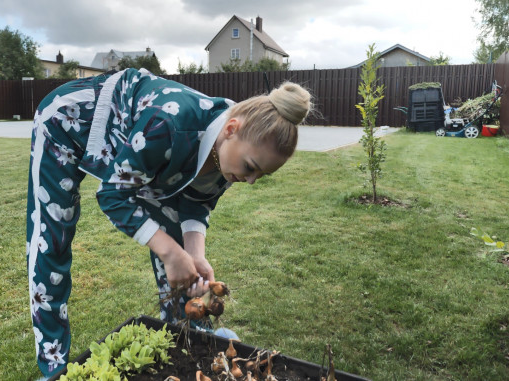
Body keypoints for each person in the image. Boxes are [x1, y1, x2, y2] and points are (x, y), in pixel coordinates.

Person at [26, 68, 312, 378]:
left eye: (261, 174)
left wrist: (194, 254)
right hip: (67, 123)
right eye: (250, 168)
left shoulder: (230, 150)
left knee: (176, 245)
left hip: (143, 150)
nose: (251, 180)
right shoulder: (170, 124)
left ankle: (185, 337)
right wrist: (171, 253)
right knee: (51, 241)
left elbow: (197, 199)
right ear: (231, 128)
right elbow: (113, 194)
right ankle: (53, 365)